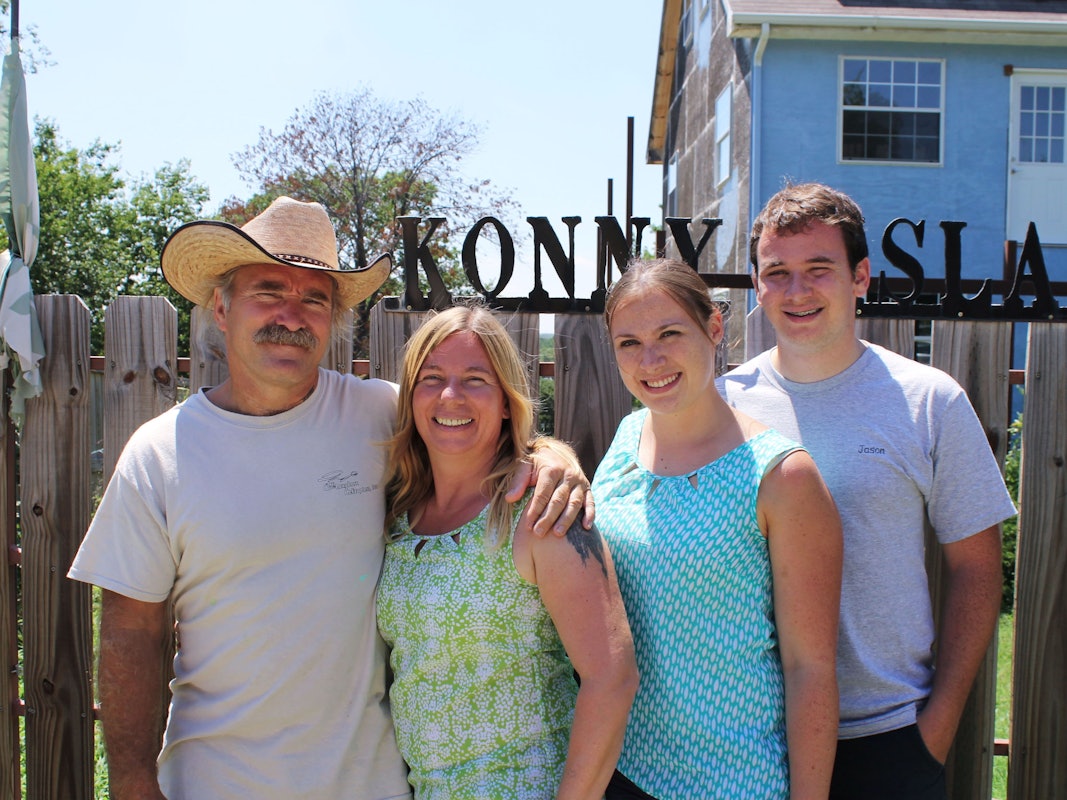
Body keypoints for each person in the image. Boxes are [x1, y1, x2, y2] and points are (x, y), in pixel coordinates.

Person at [67, 196, 592, 800]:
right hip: (212, 782)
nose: (291, 314)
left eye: (314, 299)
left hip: (369, 784)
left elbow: (475, 425)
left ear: (333, 320)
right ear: (221, 305)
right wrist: (133, 782)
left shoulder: (378, 416)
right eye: (268, 290)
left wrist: (552, 458)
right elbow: (130, 630)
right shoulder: (159, 454)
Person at [718, 183, 1017, 800]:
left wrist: (934, 728)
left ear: (861, 276)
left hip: (887, 742)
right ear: (756, 284)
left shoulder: (928, 401)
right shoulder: (722, 405)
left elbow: (978, 569)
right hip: (749, 737)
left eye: (818, 269)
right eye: (777, 272)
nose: (796, 291)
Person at [592, 258, 843, 800]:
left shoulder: (781, 476)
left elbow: (811, 669)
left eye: (669, 334)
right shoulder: (624, 441)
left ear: (713, 328)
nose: (650, 359)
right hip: (625, 769)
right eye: (628, 343)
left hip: (734, 780)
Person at [376, 304, 638, 800]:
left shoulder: (540, 513)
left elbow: (613, 677)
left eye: (475, 379)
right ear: (410, 397)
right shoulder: (397, 515)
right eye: (431, 378)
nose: (450, 395)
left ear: (504, 402)